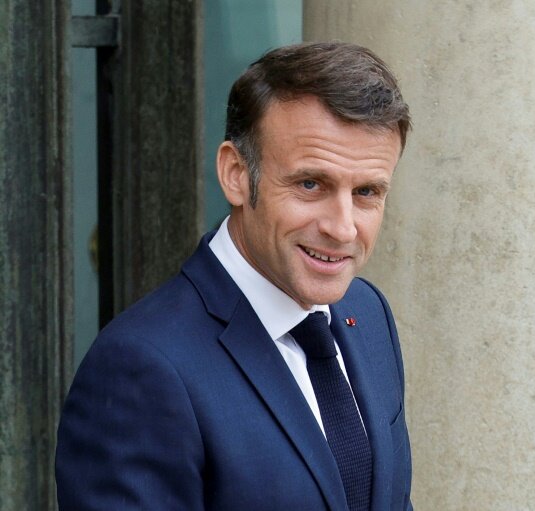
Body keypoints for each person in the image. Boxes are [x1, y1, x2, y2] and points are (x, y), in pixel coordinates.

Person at [56, 42, 413, 511]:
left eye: (367, 192)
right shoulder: (139, 369)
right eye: (311, 184)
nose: (343, 227)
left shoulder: (367, 314)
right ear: (236, 174)